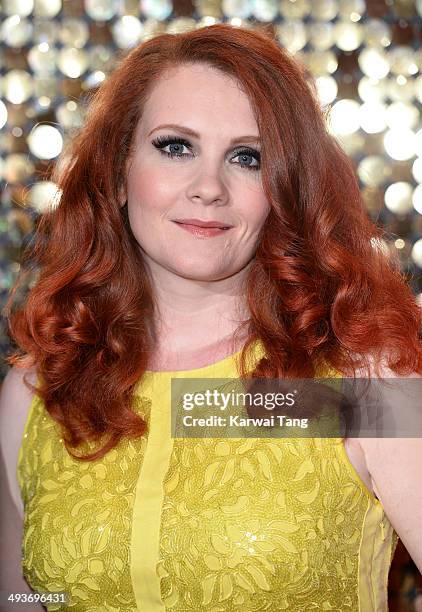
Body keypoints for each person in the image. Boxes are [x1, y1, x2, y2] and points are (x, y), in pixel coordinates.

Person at [0, 23, 421, 612]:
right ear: (119, 171)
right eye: (176, 146)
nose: (209, 187)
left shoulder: (371, 382)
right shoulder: (36, 394)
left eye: (248, 158)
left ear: (284, 189)